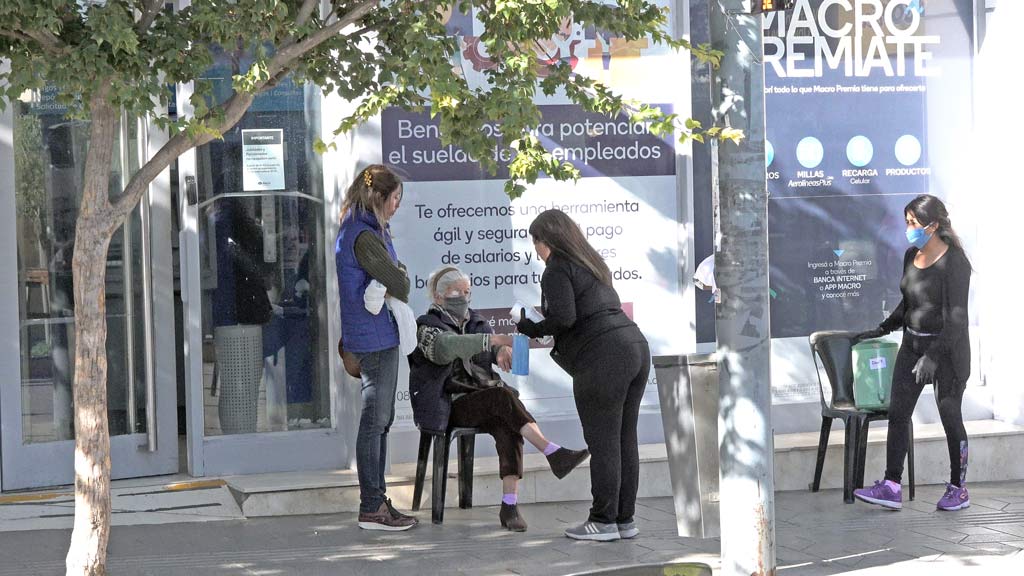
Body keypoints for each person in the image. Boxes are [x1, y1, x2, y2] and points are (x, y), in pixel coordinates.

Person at [408, 266, 590, 532]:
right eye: (456, 291)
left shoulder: (477, 320)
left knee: (508, 418)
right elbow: (444, 348)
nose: (463, 296)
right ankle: (551, 451)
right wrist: (491, 340)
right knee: (502, 397)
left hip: (483, 396)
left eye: (467, 291)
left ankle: (510, 505)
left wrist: (502, 350)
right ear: (438, 296)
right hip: (449, 403)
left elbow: (492, 351)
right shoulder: (426, 326)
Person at [515, 209, 651, 541]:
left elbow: (564, 317)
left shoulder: (557, 268)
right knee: (623, 439)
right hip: (634, 346)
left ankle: (602, 521)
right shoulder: (592, 265)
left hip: (602, 356)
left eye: (537, 242)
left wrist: (531, 327)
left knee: (603, 442)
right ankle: (623, 520)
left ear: (548, 240)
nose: (536, 250)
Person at [853, 194, 972, 512]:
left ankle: (958, 488)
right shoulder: (911, 256)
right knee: (898, 414)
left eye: (913, 223)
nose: (908, 229)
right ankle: (892, 485)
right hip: (912, 345)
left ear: (932, 226)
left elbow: (957, 319)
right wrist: (881, 329)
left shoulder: (955, 262)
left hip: (947, 350)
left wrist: (932, 357)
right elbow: (908, 303)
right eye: (906, 222)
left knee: (950, 415)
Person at [335, 164, 417, 531]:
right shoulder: (365, 236)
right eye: (395, 198)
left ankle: (377, 501)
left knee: (379, 422)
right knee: (375, 421)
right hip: (375, 336)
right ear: (379, 197)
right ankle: (371, 506)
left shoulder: (360, 229)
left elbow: (395, 278)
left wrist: (395, 276)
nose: (398, 205)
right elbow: (399, 283)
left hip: (371, 334)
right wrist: (397, 277)